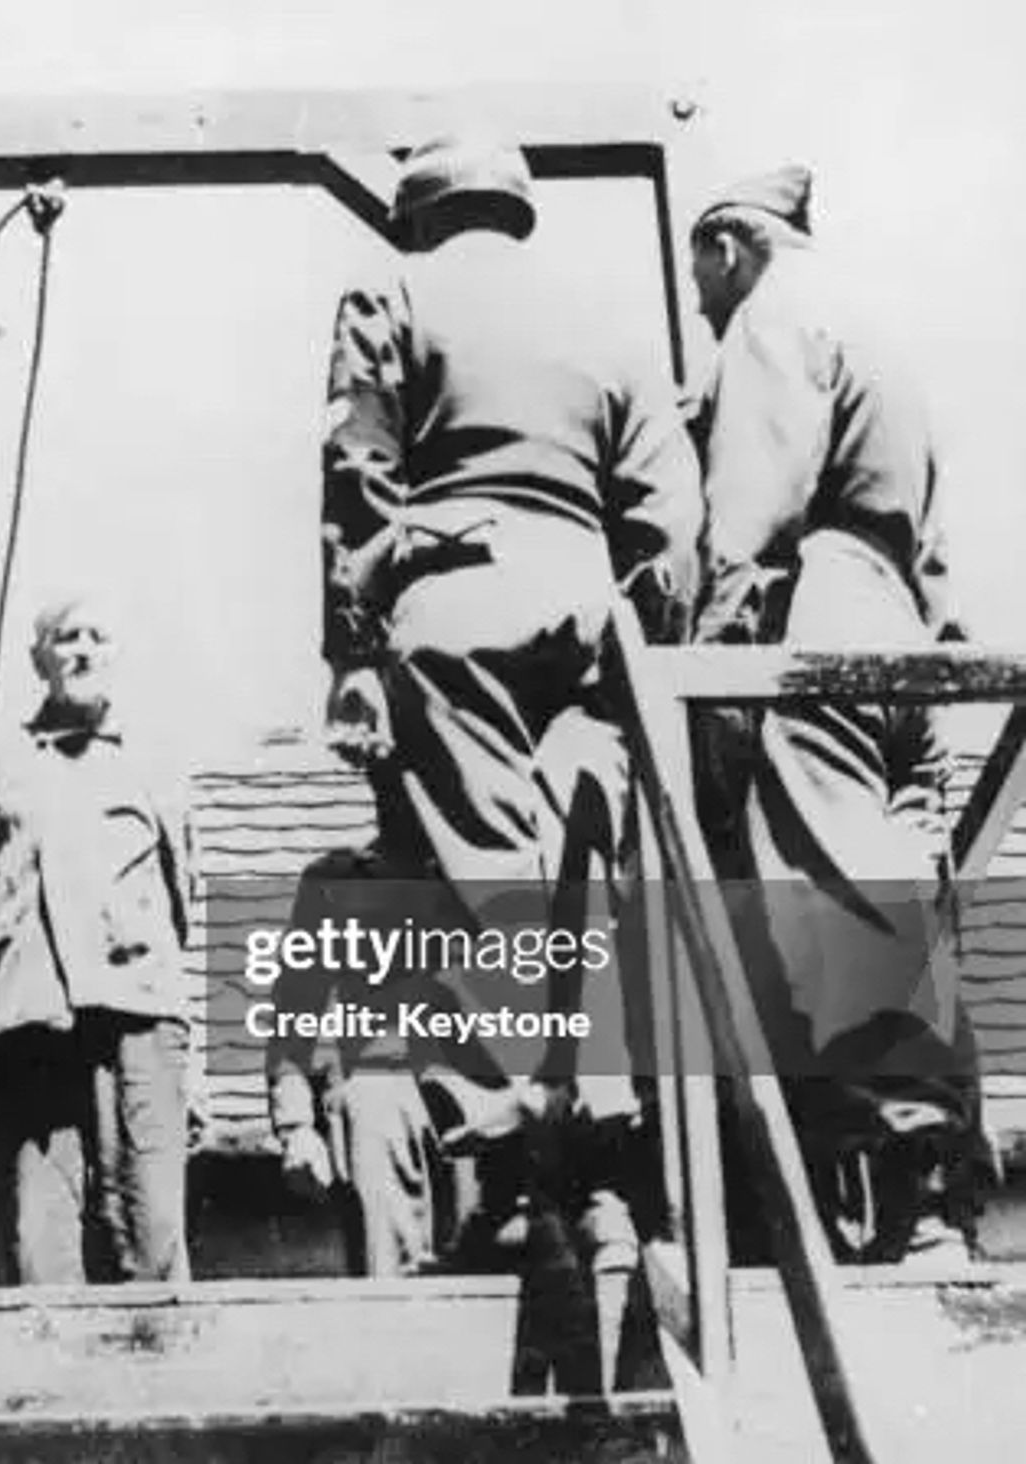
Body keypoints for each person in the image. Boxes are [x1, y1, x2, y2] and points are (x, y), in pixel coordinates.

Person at [294, 135, 704, 1282]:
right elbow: (670, 517)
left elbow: (355, 479)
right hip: (588, 609)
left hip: (453, 607)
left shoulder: (392, 290)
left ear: (418, 215)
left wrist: (352, 651)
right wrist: (637, 643)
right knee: (584, 874)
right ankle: (608, 1186)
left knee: (481, 881)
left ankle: (529, 1170)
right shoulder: (608, 315)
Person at [683, 165, 984, 1264]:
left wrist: (707, 674)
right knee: (907, 908)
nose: (704, 308)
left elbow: (748, 513)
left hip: (816, 617)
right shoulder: (875, 324)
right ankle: (938, 1196)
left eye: (699, 284)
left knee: (834, 906)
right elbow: (932, 531)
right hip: (903, 637)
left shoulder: (770, 318)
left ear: (725, 247)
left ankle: (893, 1193)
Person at [0, 596, 197, 1285]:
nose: (81, 650)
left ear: (116, 654)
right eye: (65, 637)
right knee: (41, 1235)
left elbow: (182, 898)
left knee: (149, 1230)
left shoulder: (156, 766)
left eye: (97, 637)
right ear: (38, 658)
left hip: (136, 1016)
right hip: (27, 1019)